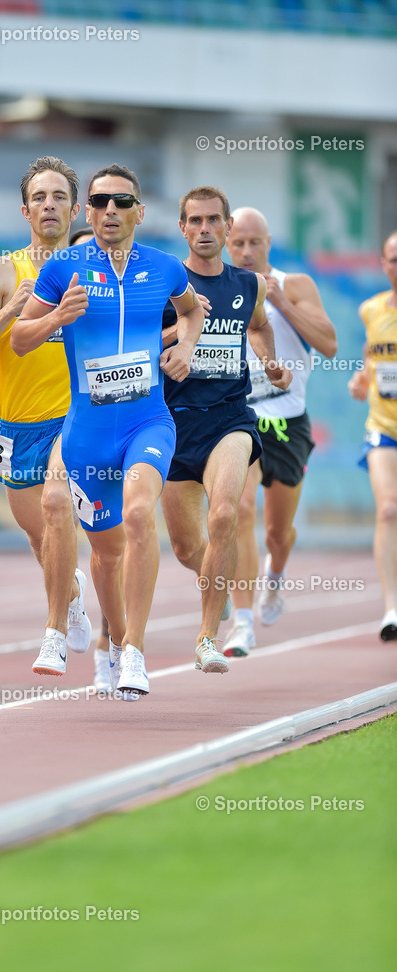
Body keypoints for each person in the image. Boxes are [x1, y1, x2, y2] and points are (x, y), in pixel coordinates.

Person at [11, 164, 205, 698]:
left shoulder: (165, 268)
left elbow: (191, 312)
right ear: (87, 212)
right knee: (103, 552)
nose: (110, 211)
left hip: (147, 421)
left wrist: (185, 346)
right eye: (98, 203)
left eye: (122, 202)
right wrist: (55, 318)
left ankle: (134, 654)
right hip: (87, 432)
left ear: (140, 212)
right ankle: (95, 636)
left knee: (141, 515)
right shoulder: (64, 268)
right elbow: (21, 339)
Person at [0, 155, 91, 676]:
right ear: (25, 210)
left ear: (75, 208)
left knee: (59, 506)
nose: (50, 205)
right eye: (40, 197)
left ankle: (53, 633)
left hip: (73, 420)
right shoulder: (0, 272)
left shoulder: (93, 272)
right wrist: (13, 308)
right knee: (40, 537)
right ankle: (72, 594)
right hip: (16, 426)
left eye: (59, 196)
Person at [161, 186, 293, 673]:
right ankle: (223, 582)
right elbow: (139, 345)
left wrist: (271, 362)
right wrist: (181, 329)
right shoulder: (164, 283)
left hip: (230, 419)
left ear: (227, 227)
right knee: (186, 547)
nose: (204, 230)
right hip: (172, 425)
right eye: (194, 221)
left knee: (225, 517)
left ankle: (205, 638)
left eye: (213, 220)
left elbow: (257, 326)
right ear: (182, 228)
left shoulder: (248, 284)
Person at [222, 207, 337, 656]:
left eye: (255, 242)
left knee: (276, 533)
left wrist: (282, 302)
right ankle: (243, 623)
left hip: (288, 420)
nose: (247, 251)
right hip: (239, 419)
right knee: (240, 512)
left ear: (269, 242)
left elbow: (329, 345)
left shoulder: (295, 284)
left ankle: (274, 576)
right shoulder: (220, 289)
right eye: (239, 243)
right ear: (228, 245)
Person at [69, 226, 113, 692]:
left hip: (117, 430)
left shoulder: (127, 301)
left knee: (110, 549)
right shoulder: (55, 304)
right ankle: (71, 595)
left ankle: (111, 644)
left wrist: (186, 324)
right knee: (55, 526)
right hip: (61, 430)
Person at [348, 231, 397, 642]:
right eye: (393, 259)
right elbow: (372, 352)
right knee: (387, 510)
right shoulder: (371, 309)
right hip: (383, 426)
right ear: (383, 264)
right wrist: (362, 378)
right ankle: (391, 608)